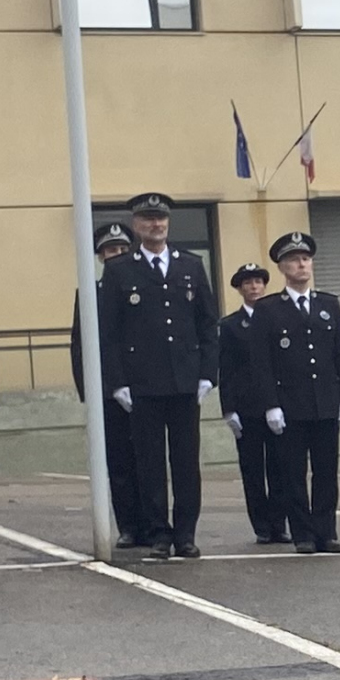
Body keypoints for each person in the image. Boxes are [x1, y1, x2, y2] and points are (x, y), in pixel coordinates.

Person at [97, 192, 218, 561]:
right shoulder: (120, 270)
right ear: (136, 225)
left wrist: (207, 374)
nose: (156, 225)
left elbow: (207, 324)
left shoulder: (191, 265)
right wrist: (117, 382)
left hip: (184, 381)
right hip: (142, 383)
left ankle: (186, 534)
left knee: (185, 463)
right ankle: (158, 533)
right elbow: (109, 333)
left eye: (161, 219)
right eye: (148, 219)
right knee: (149, 464)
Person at [255, 231, 340, 554]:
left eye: (306, 258)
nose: (302, 264)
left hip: (325, 401)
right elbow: (263, 363)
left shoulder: (329, 304)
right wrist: (270, 404)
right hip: (290, 403)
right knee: (293, 474)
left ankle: (326, 531)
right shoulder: (269, 309)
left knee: (326, 472)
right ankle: (303, 534)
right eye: (294, 260)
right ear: (283, 267)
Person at [72, 223, 144, 548]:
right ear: (100, 256)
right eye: (110, 250)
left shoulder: (147, 287)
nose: (117, 255)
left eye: (122, 250)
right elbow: (80, 346)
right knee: (119, 463)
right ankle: (129, 526)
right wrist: (89, 394)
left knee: (150, 460)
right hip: (108, 392)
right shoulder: (90, 293)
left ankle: (155, 524)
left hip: (145, 387)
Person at [218, 262, 286, 546]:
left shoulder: (278, 318)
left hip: (278, 403)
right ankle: (261, 526)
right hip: (246, 406)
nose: (254, 287)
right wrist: (229, 409)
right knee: (253, 469)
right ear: (239, 288)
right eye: (248, 283)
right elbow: (227, 369)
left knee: (281, 467)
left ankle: (280, 524)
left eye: (258, 282)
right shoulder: (231, 325)